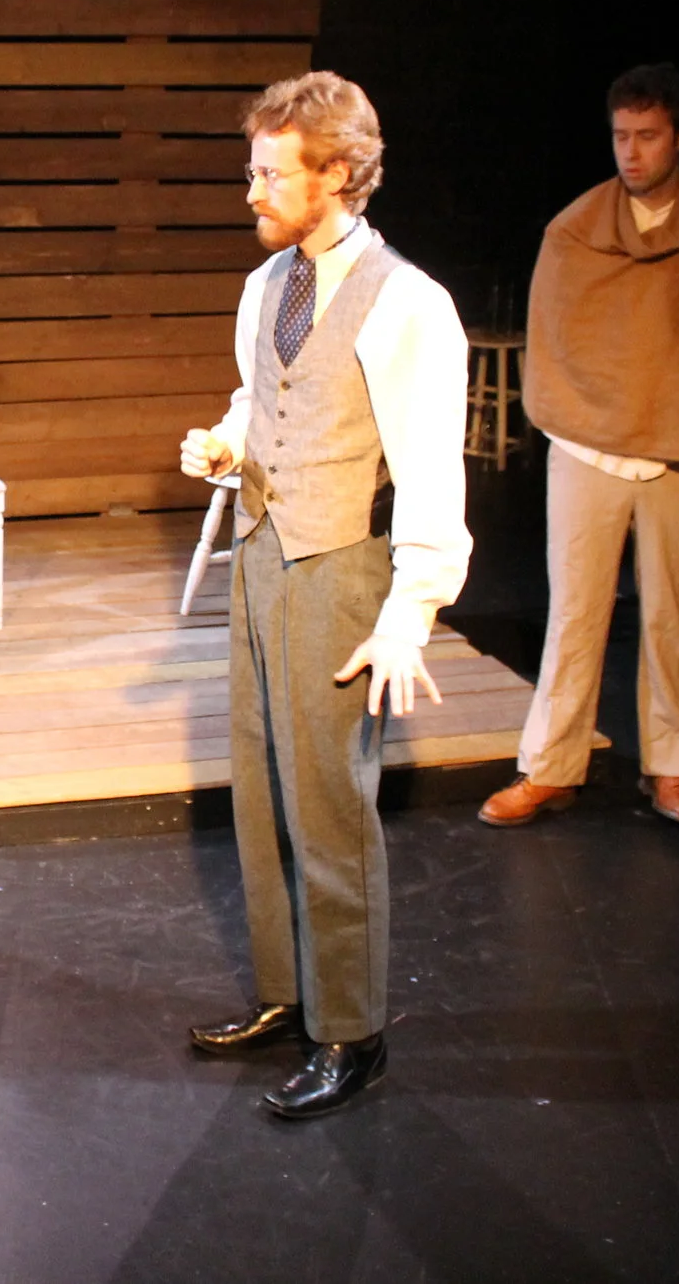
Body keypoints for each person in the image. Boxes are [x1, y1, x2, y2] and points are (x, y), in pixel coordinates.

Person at [178, 71, 472, 1119]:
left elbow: (431, 472)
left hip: (341, 569)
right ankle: (285, 991)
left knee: (331, 808)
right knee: (262, 791)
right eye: (251, 169)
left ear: (337, 174)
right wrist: (228, 444)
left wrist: (408, 612)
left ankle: (351, 1030)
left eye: (271, 174)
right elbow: (261, 395)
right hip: (262, 552)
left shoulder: (409, 304)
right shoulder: (268, 282)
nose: (251, 192)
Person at [479, 62, 679, 832]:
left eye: (647, 136)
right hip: (588, 450)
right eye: (620, 136)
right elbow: (554, 345)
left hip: (677, 454)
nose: (631, 152)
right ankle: (549, 766)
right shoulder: (576, 231)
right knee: (573, 615)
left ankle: (672, 767)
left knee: (672, 616)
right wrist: (590, 413)